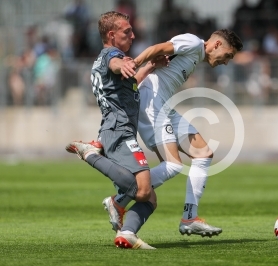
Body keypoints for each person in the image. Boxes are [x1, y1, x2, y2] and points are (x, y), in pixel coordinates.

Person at [99, 29, 243, 237]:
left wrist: (149, 66)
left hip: (163, 105)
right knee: (174, 165)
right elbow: (156, 48)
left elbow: (160, 60)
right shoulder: (193, 43)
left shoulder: (194, 54)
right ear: (217, 45)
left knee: (203, 154)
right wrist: (135, 63)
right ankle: (118, 200)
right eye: (228, 56)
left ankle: (189, 218)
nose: (226, 62)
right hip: (151, 104)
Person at [65, 11, 167, 250]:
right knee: (142, 189)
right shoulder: (112, 55)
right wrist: (129, 62)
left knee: (149, 198)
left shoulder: (102, 60)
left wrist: (151, 65)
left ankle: (128, 232)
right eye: (126, 32)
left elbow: (129, 82)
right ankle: (90, 155)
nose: (132, 35)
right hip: (118, 130)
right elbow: (117, 64)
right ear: (111, 35)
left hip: (116, 130)